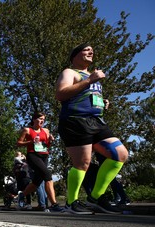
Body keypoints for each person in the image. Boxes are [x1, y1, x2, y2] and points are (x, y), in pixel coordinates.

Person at [55, 43, 129, 214]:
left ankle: (96, 198)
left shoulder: (91, 75)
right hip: (75, 121)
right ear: (75, 56)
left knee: (120, 154)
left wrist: (102, 102)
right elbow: (60, 94)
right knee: (83, 163)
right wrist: (89, 80)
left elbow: (86, 95)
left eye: (92, 51)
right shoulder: (70, 72)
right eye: (86, 50)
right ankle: (71, 203)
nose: (91, 52)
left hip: (97, 121)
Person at [16, 112, 63, 212]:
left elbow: (47, 146)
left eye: (43, 120)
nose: (42, 121)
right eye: (40, 119)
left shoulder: (45, 130)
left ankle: (22, 195)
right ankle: (54, 204)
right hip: (33, 155)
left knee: (37, 182)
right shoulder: (27, 130)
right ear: (34, 119)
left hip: (44, 156)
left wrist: (50, 140)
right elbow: (18, 143)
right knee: (48, 175)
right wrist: (30, 142)